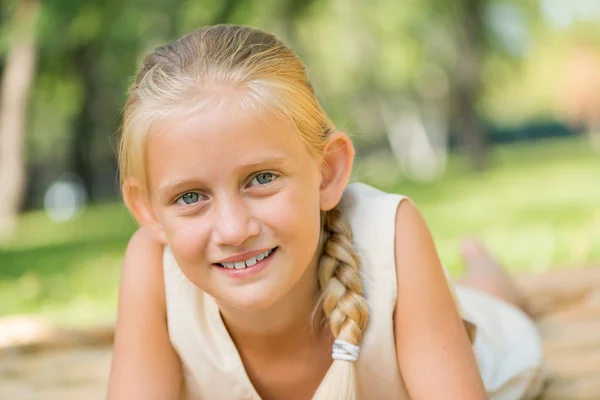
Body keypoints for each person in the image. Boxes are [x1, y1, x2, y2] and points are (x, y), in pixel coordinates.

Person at [107, 24, 543, 400]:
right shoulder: (151, 265)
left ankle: (484, 268)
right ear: (146, 210)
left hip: (479, 350)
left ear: (328, 171)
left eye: (261, 178)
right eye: (189, 197)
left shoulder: (389, 234)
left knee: (490, 305)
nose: (234, 230)